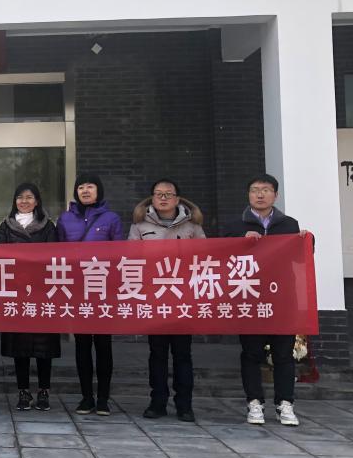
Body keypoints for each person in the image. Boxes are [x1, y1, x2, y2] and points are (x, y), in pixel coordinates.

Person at [226, 174, 308, 427]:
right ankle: (254, 402)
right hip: (249, 297)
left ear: (275, 195)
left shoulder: (289, 225)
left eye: (265, 190)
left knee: (283, 353)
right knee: (251, 353)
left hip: (282, 299)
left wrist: (305, 241)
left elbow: (300, 259)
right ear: (248, 195)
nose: (260, 194)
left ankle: (285, 403)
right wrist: (241, 242)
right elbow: (221, 257)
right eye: (254, 190)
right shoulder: (236, 226)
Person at [129, 179, 206, 422]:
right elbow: (131, 258)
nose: (163, 198)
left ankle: (184, 405)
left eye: (168, 194)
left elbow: (205, 256)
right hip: (155, 296)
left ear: (177, 199)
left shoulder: (192, 226)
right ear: (152, 198)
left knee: (183, 353)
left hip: (183, 297)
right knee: (157, 353)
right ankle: (157, 402)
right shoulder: (139, 225)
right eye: (158, 194)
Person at [57, 173, 123, 416]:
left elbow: (120, 255)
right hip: (77, 290)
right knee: (82, 345)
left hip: (103, 290)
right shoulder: (65, 219)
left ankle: (103, 398)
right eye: (81, 187)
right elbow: (56, 254)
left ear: (99, 190)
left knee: (103, 345)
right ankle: (86, 397)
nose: (85, 191)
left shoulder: (111, 218)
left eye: (90, 187)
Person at [0, 183, 60, 411]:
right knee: (19, 347)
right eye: (20, 197)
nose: (24, 201)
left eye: (29, 197)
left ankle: (44, 391)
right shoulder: (6, 227)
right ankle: (23, 391)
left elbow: (54, 257)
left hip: (42, 294)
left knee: (44, 347)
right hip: (17, 293)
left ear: (37, 201)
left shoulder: (48, 226)